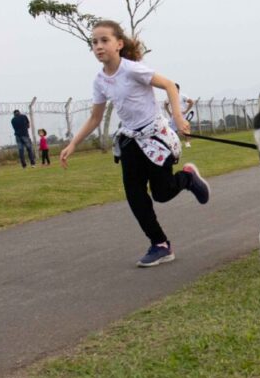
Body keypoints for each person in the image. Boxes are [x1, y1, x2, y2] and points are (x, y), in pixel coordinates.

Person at [59, 19, 211, 268]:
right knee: (135, 195)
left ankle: (187, 179)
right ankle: (160, 244)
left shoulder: (132, 69)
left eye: (104, 40)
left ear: (119, 44)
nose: (98, 46)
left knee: (161, 193)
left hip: (156, 137)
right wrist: (73, 143)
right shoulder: (100, 81)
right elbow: (96, 117)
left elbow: (169, 85)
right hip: (130, 141)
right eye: (94, 42)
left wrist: (178, 117)